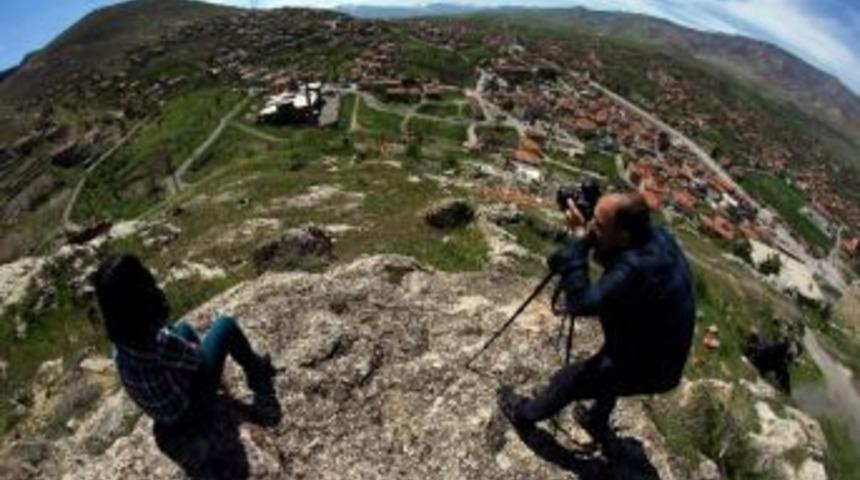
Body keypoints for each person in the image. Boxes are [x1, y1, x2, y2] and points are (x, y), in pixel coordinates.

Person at [497, 191, 696, 441]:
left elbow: (581, 303)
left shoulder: (636, 267)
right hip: (648, 342)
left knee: (567, 380)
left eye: (599, 225)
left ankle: (523, 414)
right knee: (611, 367)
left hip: (653, 365)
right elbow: (611, 249)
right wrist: (594, 228)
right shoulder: (654, 236)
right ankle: (597, 421)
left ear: (623, 236)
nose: (591, 226)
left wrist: (579, 240)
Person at [94, 254, 275, 425]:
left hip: (163, 417)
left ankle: (218, 380)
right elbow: (197, 360)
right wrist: (207, 343)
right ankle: (257, 372)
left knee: (183, 329)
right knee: (225, 326)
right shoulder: (158, 344)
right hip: (189, 413)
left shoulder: (119, 342)